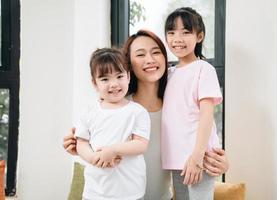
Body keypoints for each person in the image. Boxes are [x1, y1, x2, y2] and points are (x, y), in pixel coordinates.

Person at [63, 30, 229, 200]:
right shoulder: (117, 108)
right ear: (128, 66)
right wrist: (78, 146)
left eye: (156, 52)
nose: (150, 60)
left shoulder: (179, 108)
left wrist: (220, 163)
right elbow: (91, 144)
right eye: (140, 54)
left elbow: (204, 137)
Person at [161, 7, 223, 200]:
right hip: (176, 156)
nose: (177, 38)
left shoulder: (204, 69)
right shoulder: (169, 74)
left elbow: (206, 114)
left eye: (185, 32)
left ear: (199, 36)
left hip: (199, 156)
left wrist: (197, 156)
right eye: (171, 32)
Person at [75, 47, 150, 200]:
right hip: (95, 192)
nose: (114, 84)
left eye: (119, 76)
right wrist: (95, 158)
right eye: (105, 79)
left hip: (130, 192)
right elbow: (81, 143)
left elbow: (141, 144)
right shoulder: (89, 112)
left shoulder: (138, 112)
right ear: (94, 83)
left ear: (128, 77)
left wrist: (113, 150)